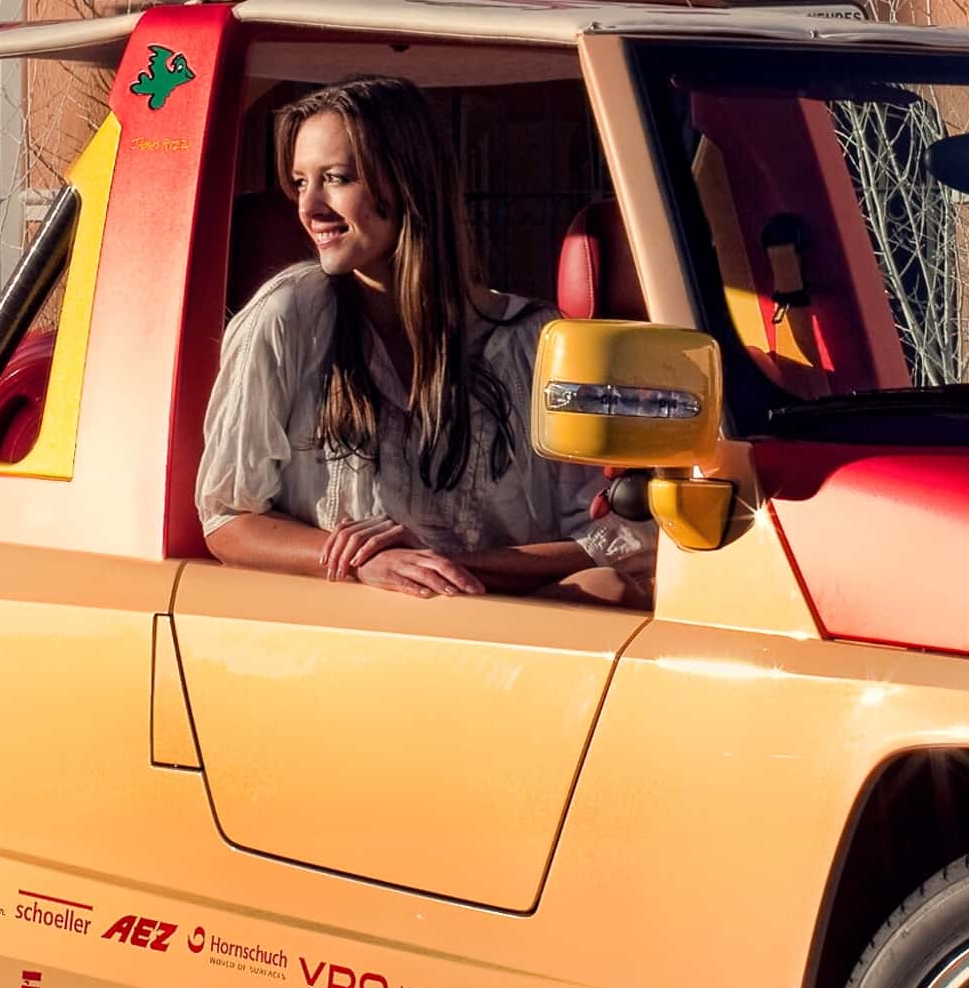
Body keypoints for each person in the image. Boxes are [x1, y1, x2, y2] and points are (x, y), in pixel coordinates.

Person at [198, 76, 649, 606]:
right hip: (343, 631)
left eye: (337, 178)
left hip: (503, 631)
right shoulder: (286, 318)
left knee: (608, 589)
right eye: (300, 183)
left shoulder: (537, 343)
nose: (309, 206)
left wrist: (438, 569)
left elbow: (616, 541)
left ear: (409, 182)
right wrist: (363, 562)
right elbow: (226, 518)